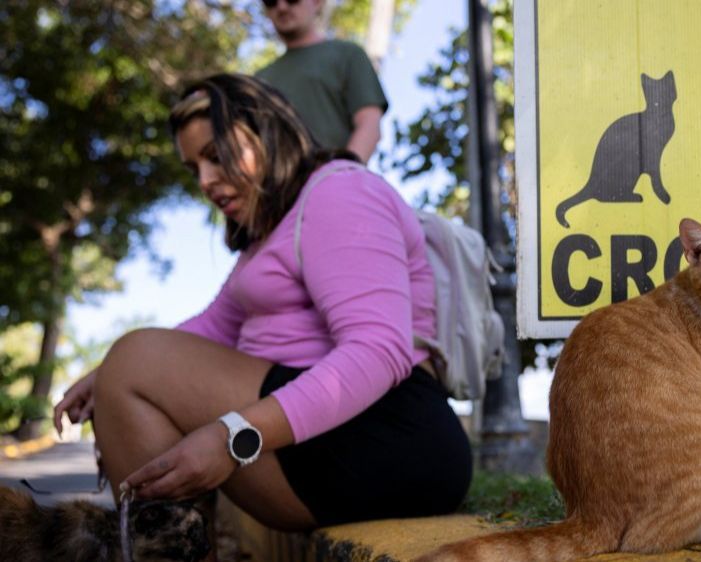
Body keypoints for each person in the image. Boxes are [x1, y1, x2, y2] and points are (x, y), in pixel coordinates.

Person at [53, 73, 472, 531]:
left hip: (392, 436)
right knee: (127, 361)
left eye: (216, 156)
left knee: (134, 360)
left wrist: (234, 435)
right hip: (333, 436)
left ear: (266, 132)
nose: (206, 182)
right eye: (195, 169)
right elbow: (214, 328)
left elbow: (378, 349)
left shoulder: (340, 192)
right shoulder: (270, 231)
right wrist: (105, 376)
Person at [256, 0, 387, 163]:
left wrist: (342, 176)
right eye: (271, 2)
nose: (282, 7)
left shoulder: (348, 55)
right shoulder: (258, 80)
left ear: (317, 2)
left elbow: (369, 124)